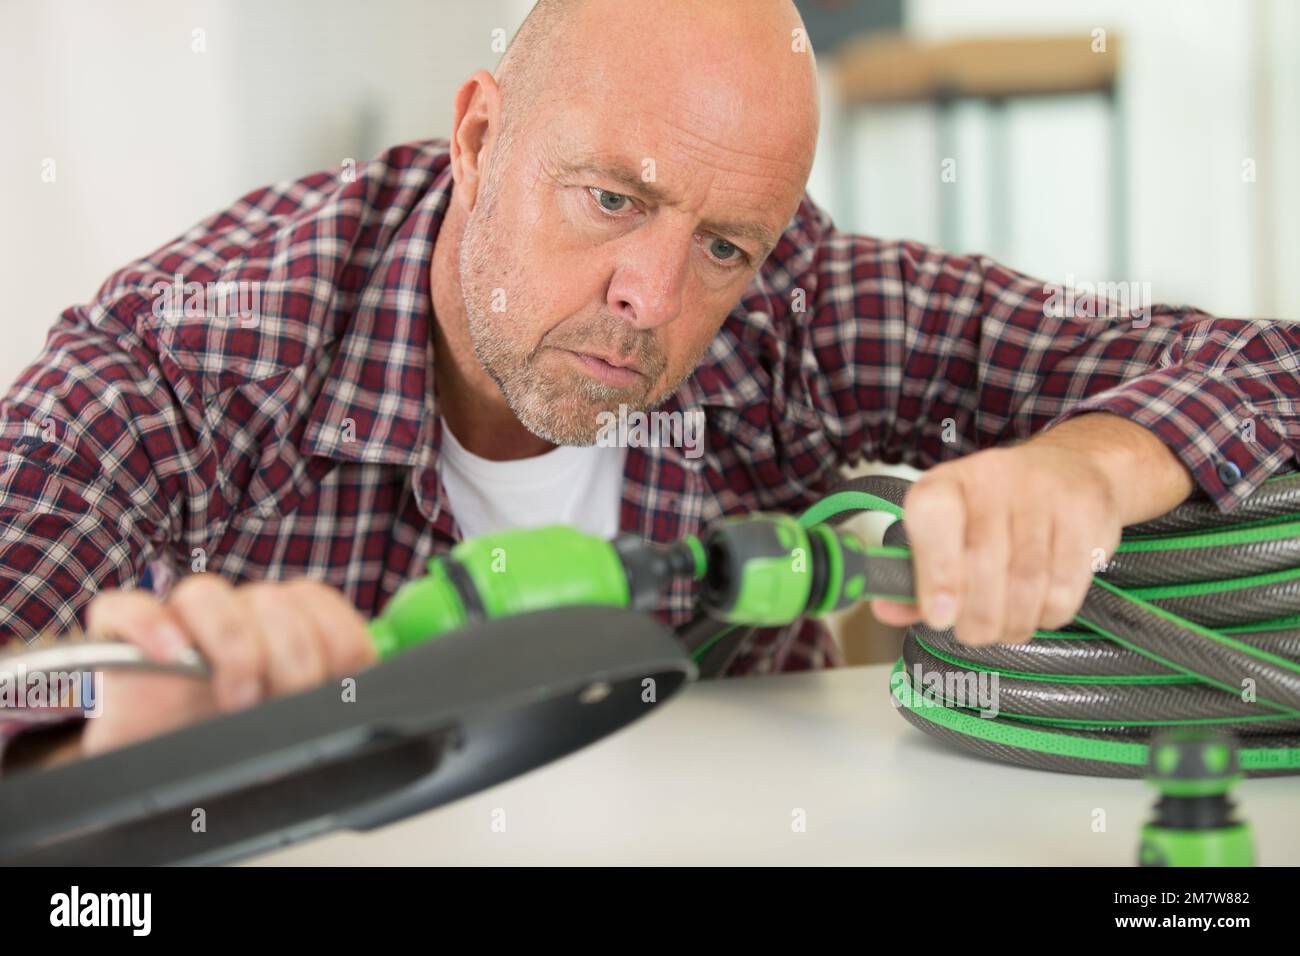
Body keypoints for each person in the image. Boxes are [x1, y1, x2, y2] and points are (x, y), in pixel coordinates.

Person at [2, 0, 1296, 768]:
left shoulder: (800, 308)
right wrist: (93, 735)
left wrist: (1084, 465)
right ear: (479, 138)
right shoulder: (200, 348)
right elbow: (18, 660)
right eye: (611, 198)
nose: (656, 298)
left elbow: (1263, 362)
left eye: (724, 244)